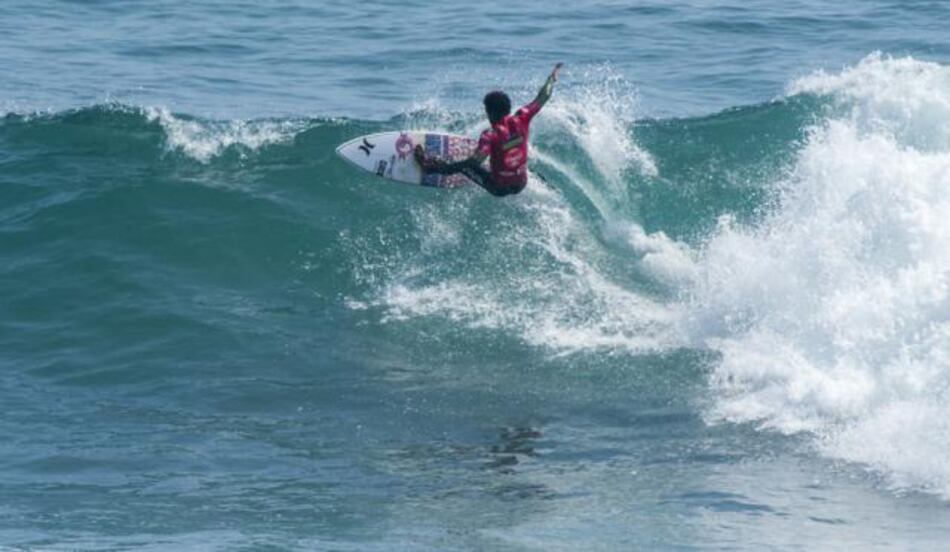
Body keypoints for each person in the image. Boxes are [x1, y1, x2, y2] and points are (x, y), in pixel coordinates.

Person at [414, 63, 563, 196]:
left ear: (489, 112)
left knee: (463, 165)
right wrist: (552, 78)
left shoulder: (490, 135)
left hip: (498, 188)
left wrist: (452, 167)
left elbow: (474, 162)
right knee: (514, 162)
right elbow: (544, 96)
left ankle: (430, 167)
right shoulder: (522, 118)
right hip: (521, 184)